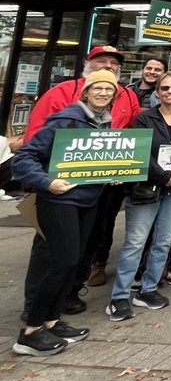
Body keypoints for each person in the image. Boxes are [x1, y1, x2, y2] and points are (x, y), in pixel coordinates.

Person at [11, 69, 120, 356]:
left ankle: (52, 320)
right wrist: (48, 182)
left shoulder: (103, 124)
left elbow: (89, 163)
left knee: (73, 264)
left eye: (109, 90)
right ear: (86, 91)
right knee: (62, 262)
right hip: (58, 201)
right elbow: (23, 158)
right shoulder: (66, 119)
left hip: (87, 200)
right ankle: (30, 331)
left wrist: (111, 173)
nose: (103, 94)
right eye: (97, 88)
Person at [106, 72, 171, 321]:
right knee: (135, 242)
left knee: (163, 240)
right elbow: (139, 150)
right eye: (165, 88)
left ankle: (149, 289)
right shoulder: (144, 118)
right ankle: (119, 296)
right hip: (147, 187)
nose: (170, 92)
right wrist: (162, 175)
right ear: (157, 92)